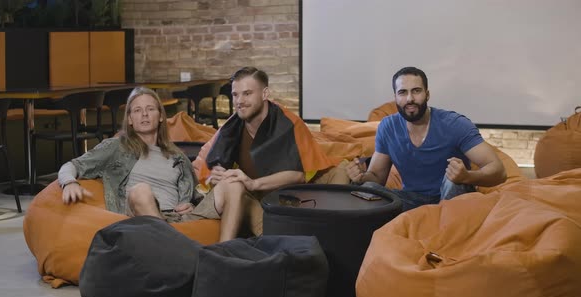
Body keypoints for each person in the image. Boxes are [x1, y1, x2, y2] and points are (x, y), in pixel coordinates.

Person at [191, 66, 346, 241]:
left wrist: (254, 183)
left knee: (341, 169)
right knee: (236, 188)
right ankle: (275, 242)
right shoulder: (230, 128)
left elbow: (298, 175)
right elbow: (208, 172)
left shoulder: (288, 122)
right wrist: (216, 176)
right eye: (235, 95)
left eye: (247, 93)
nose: (239, 101)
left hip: (287, 190)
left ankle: (335, 233)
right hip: (255, 197)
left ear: (265, 94)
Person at [346, 66, 506, 211]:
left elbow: (499, 172)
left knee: (453, 181)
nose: (410, 99)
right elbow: (376, 178)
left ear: (427, 94)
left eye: (416, 91)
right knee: (367, 188)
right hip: (411, 200)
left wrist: (467, 176)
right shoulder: (388, 127)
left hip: (452, 199)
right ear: (395, 97)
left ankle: (444, 232)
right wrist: (360, 176)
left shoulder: (455, 124)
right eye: (403, 92)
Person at [58, 86, 205, 223]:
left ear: (161, 116)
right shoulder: (116, 146)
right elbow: (72, 166)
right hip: (138, 220)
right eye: (137, 110)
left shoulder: (178, 156)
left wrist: (191, 205)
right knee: (141, 191)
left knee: (227, 186)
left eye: (150, 109)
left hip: (175, 219)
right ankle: (167, 240)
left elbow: (198, 196)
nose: (144, 114)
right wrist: (69, 183)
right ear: (130, 119)